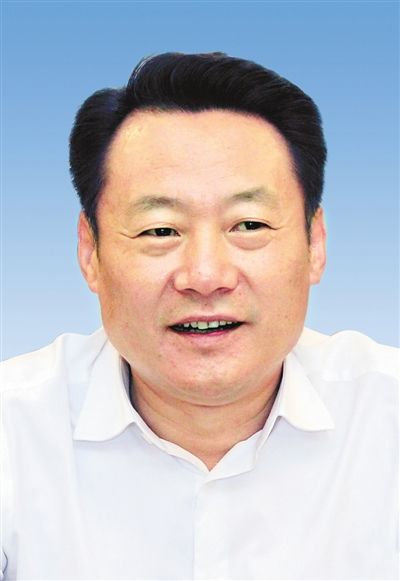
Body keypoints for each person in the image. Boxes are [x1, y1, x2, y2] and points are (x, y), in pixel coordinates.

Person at [1, 52, 398, 580]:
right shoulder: (13, 432)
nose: (206, 275)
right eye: (160, 230)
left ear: (315, 244)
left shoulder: (387, 417)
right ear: (90, 252)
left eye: (249, 225)